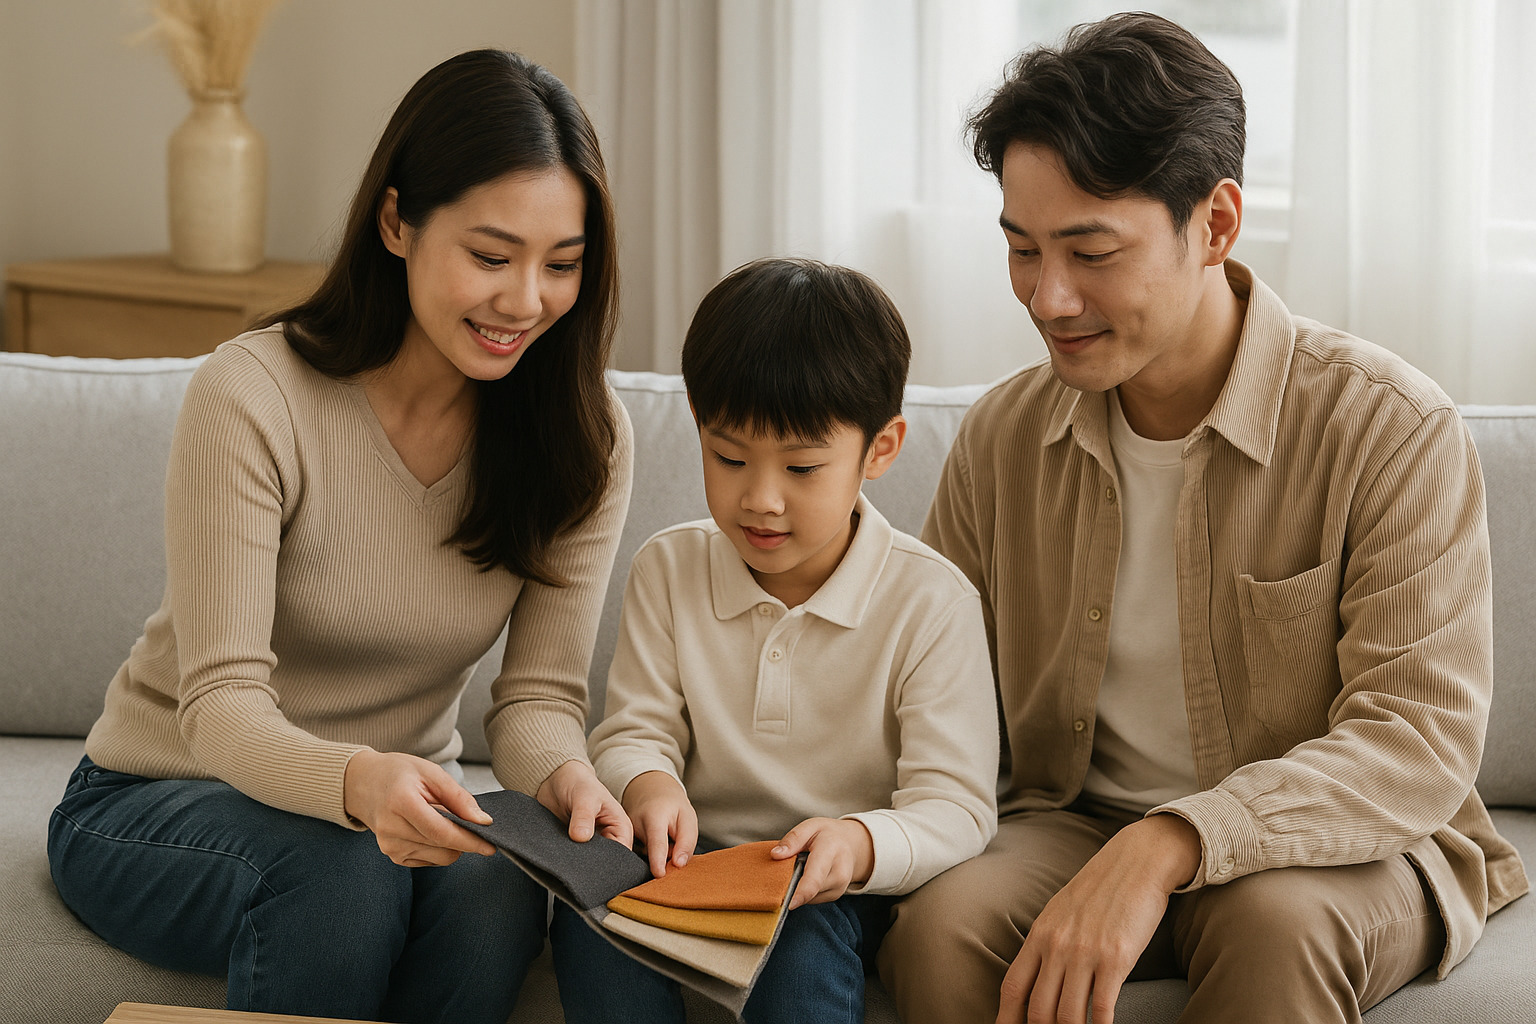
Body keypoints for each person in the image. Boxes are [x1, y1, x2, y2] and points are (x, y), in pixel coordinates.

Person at [877, 12, 1528, 1024]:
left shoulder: (1389, 429)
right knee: (940, 931)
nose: (1049, 297)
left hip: (1343, 846)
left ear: (1216, 225)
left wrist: (1175, 837)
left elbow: (1413, 741)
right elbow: (923, 689)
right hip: (1076, 822)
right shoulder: (1005, 438)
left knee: (1272, 925)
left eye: (1091, 251)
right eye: (1022, 249)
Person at [46, 50, 634, 1024]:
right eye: (491, 255)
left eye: (561, 264)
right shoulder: (253, 395)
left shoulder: (583, 434)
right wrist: (357, 783)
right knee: (339, 871)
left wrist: (571, 781)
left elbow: (534, 698)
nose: (527, 300)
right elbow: (222, 705)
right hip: (159, 796)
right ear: (397, 221)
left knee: (500, 881)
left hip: (392, 803)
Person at [549, 257, 999, 1023]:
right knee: (591, 920)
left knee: (799, 948)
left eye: (801, 467)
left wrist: (857, 844)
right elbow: (633, 731)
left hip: (836, 889)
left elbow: (955, 806)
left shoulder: (932, 601)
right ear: (697, 425)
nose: (760, 499)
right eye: (729, 458)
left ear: (880, 450)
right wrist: (648, 785)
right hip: (688, 864)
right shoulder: (669, 567)